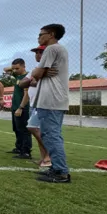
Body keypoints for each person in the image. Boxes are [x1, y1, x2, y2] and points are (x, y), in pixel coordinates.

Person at [31, 24, 70, 183]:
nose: (39, 37)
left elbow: (37, 74)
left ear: (51, 34)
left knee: (51, 135)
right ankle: (56, 168)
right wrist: (39, 73)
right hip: (53, 100)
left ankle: (61, 172)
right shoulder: (58, 50)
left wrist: (37, 72)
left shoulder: (51, 49)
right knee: (50, 135)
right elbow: (39, 75)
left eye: (41, 34)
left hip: (51, 100)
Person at [19, 45, 52, 168]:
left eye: (41, 52)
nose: (37, 55)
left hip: (44, 103)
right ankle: (43, 158)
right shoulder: (35, 70)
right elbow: (22, 83)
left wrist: (34, 80)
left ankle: (49, 156)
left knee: (33, 128)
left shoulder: (50, 68)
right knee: (38, 130)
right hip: (34, 104)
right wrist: (32, 80)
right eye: (36, 52)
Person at [3, 58, 32, 159]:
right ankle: (19, 148)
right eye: (14, 69)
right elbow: (5, 69)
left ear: (24, 66)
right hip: (15, 107)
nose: (14, 71)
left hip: (22, 108)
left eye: (17, 68)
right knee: (17, 129)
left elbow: (26, 94)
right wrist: (13, 68)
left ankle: (26, 151)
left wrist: (21, 107)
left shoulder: (27, 77)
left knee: (24, 129)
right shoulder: (17, 75)